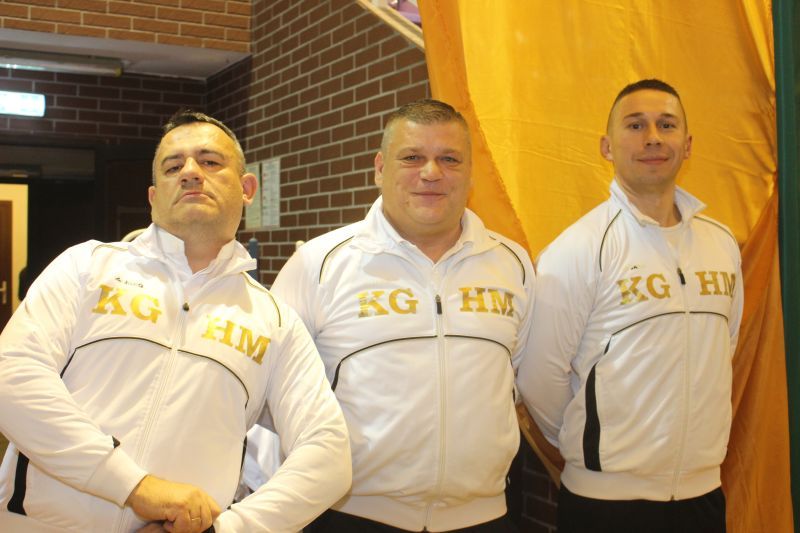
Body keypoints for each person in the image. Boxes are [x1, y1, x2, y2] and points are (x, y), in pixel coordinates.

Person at [0, 110, 351, 533]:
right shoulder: (86, 267)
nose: (190, 172)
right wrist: (134, 486)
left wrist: (229, 528)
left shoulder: (274, 321)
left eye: (210, 161)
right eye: (172, 166)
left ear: (246, 189)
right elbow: (12, 375)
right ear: (153, 196)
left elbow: (327, 452)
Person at [270, 99, 535, 533]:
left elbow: (524, 380)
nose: (431, 173)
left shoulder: (513, 263)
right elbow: (272, 397)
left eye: (449, 159)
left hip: (484, 517)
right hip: (351, 514)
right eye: (412, 157)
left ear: (470, 173)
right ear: (380, 168)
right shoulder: (318, 264)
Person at [517, 79, 743, 533]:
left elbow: (724, 348)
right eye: (636, 125)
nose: (653, 138)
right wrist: (592, 444)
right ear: (607, 146)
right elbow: (539, 376)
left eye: (667, 125)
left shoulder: (722, 244)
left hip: (702, 494)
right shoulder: (579, 248)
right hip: (606, 502)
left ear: (688, 144)